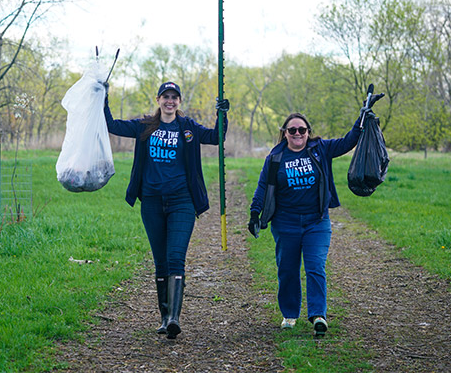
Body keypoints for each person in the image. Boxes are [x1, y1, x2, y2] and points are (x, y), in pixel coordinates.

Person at [248, 93, 384, 336]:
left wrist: (362, 114)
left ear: (308, 131)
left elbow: (348, 141)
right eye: (292, 130)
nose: (297, 134)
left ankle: (318, 315)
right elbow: (262, 188)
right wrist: (254, 213)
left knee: (315, 267)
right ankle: (289, 314)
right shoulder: (275, 158)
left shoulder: (321, 149)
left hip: (316, 222)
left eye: (302, 130)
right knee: (287, 269)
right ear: (285, 133)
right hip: (285, 223)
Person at [103, 81, 229, 339]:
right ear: (158, 99)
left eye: (174, 97)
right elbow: (112, 125)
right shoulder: (145, 126)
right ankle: (163, 317)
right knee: (160, 261)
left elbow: (216, 137)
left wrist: (222, 114)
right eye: (165, 96)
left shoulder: (189, 128)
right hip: (151, 201)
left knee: (175, 257)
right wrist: (102, 99)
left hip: (182, 201)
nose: (170, 101)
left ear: (179, 101)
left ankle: (174, 317)